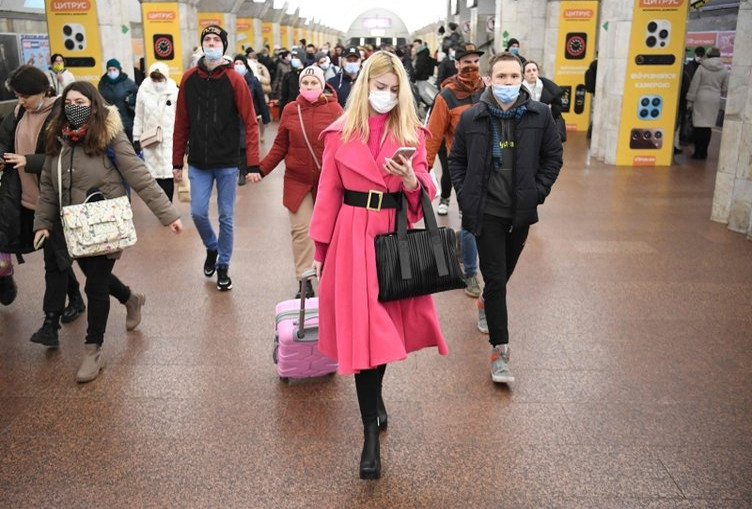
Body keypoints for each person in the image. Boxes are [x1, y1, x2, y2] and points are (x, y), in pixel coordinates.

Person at [309, 51, 448, 480]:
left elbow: (424, 187)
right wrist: (320, 253)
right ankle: (370, 432)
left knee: (379, 331)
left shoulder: (412, 132)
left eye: (393, 89)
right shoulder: (338, 134)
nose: (385, 96)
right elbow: (328, 193)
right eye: (379, 87)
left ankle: (376, 399)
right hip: (350, 238)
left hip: (390, 238)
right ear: (364, 84)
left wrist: (410, 180)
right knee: (363, 335)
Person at [33, 81, 183, 382]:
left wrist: (167, 214)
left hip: (103, 223)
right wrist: (42, 224)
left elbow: (137, 173)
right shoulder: (56, 138)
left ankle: (93, 351)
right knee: (94, 276)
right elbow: (49, 186)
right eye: (69, 102)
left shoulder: (109, 134)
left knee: (95, 286)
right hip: (71, 224)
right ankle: (130, 299)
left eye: (81, 102)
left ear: (94, 105)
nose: (74, 107)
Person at [449, 52, 562, 384]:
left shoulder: (540, 115)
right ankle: (501, 351)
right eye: (502, 77)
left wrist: (538, 191)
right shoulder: (473, 118)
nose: (509, 83)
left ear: (522, 79)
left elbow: (553, 156)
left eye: (514, 77)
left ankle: (486, 302)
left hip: (520, 213)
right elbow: (456, 160)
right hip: (486, 213)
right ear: (489, 79)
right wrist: (466, 193)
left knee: (504, 275)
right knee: (497, 279)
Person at [172, 25, 260, 291]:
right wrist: (177, 163)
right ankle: (212, 247)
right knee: (197, 212)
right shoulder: (189, 79)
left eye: (215, 40)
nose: (211, 43)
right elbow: (181, 123)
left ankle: (223, 264)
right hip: (198, 161)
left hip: (227, 161)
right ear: (201, 45)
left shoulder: (235, 79)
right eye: (207, 39)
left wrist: (252, 163)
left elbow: (250, 122)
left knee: (226, 215)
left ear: (223, 45)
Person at [0, 65, 85, 336]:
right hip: (25, 199)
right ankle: (77, 299)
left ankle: (52, 320)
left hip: (56, 199)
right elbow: (4, 141)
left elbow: (69, 156)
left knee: (55, 258)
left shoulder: (63, 113)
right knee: (56, 255)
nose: (21, 100)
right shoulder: (16, 113)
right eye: (17, 95)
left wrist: (29, 161)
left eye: (24, 95)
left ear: (41, 91)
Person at [254, 66, 343, 298]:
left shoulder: (335, 109)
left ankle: (331, 277)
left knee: (330, 233)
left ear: (322, 85)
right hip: (297, 181)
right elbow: (280, 146)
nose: (310, 87)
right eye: (306, 83)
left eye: (314, 83)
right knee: (301, 232)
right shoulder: (291, 110)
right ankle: (304, 282)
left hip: (328, 184)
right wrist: (260, 169)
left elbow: (346, 145)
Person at [425, 43, 486, 300]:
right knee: (471, 217)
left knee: (487, 219)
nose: (472, 66)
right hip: (462, 168)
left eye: (476, 61)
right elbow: (432, 136)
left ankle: (462, 243)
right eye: (466, 62)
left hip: (491, 166)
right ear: (457, 65)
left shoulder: (490, 90)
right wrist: (422, 171)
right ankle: (471, 272)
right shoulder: (446, 97)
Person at [132, 62, 179, 201]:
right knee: (154, 175)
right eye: (155, 79)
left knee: (168, 173)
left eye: (160, 79)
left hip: (169, 139)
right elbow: (139, 115)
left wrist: (186, 140)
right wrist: (136, 137)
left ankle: (168, 205)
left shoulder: (174, 90)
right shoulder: (144, 89)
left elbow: (181, 117)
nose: (157, 82)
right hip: (150, 138)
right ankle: (161, 206)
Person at [233, 54, 270, 185]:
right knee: (236, 144)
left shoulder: (253, 80)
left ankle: (242, 172)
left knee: (244, 144)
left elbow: (260, 98)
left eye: (240, 63)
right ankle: (237, 169)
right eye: (236, 63)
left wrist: (265, 117)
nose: (238, 66)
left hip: (248, 116)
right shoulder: (231, 79)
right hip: (232, 118)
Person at [686, 47, 728, 160]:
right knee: (707, 127)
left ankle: (697, 152)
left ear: (708, 55)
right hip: (714, 99)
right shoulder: (724, 69)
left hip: (700, 97)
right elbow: (725, 88)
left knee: (698, 126)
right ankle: (704, 152)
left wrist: (690, 100)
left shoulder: (701, 67)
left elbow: (694, 84)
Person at [522, 61, 566, 142]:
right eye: (528, 71)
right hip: (526, 126)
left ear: (538, 72)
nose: (532, 73)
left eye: (534, 70)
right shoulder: (519, 90)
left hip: (545, 125)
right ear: (524, 75)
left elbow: (557, 106)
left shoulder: (549, 88)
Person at [97, 58, 138, 142]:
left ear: (119, 70)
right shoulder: (103, 83)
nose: (112, 72)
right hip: (109, 121)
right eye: (109, 70)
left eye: (114, 69)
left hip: (126, 121)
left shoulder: (127, 82)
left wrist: (131, 100)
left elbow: (138, 96)